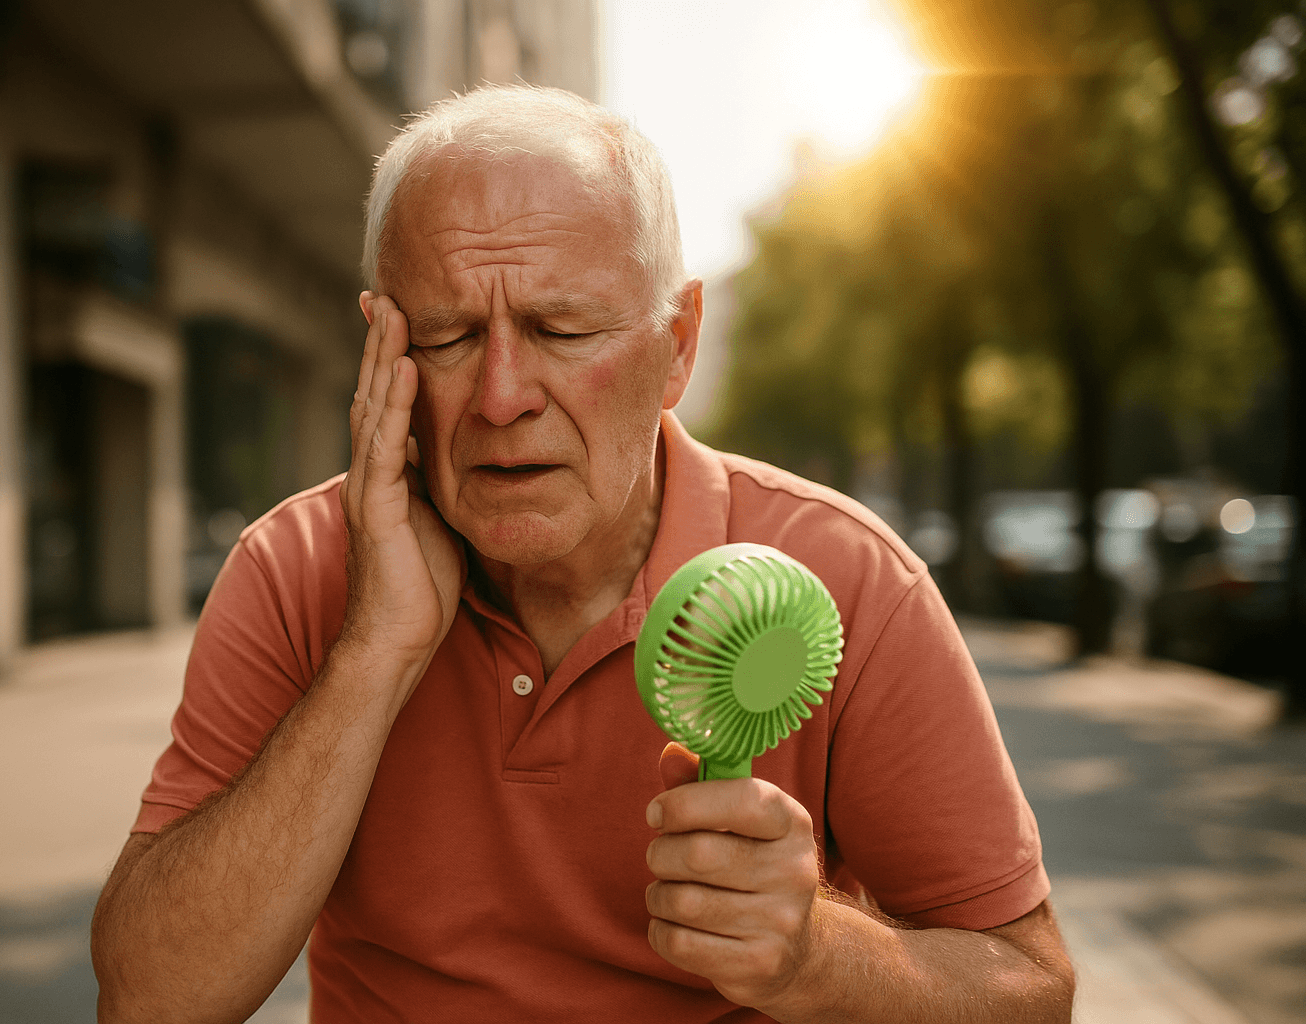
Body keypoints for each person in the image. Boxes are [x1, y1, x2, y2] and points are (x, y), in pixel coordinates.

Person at [91, 85, 1074, 1023]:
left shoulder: (847, 580)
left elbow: (1033, 992)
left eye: (562, 328)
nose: (501, 395)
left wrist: (815, 957)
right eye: (447, 336)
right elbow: (148, 1000)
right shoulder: (295, 566)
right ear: (381, 351)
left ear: (677, 344)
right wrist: (374, 648)